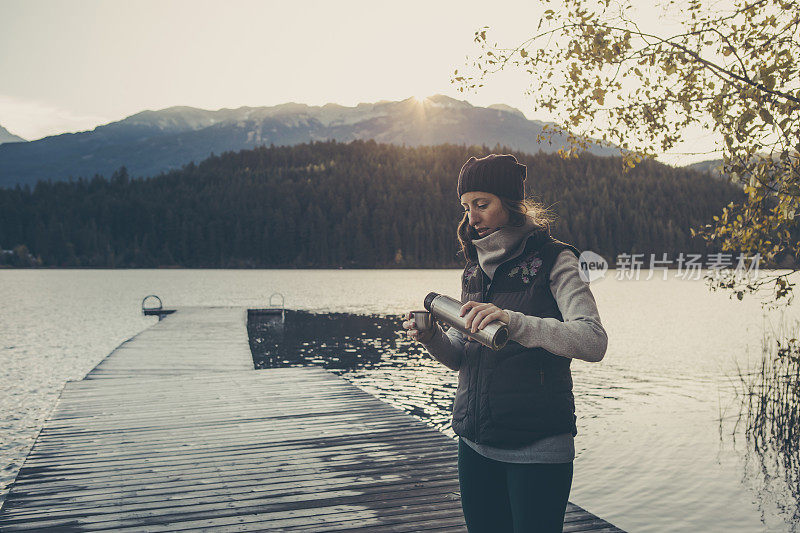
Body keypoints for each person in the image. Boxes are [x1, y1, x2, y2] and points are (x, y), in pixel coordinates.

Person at [402, 154, 608, 533]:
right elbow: (463, 354)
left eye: (482, 204)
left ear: (513, 205)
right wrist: (431, 337)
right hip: (475, 443)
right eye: (466, 207)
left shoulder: (557, 259)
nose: (472, 217)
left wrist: (513, 322)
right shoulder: (473, 267)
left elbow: (592, 341)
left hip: (538, 447)